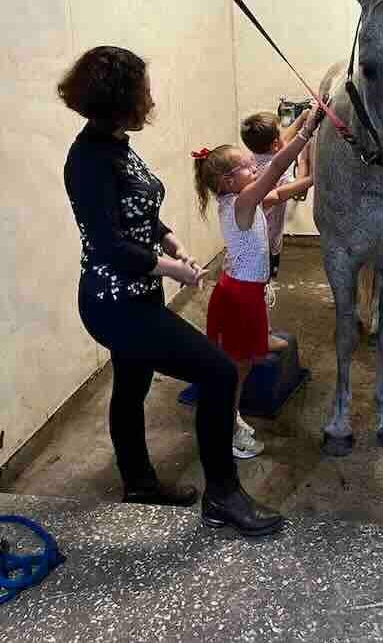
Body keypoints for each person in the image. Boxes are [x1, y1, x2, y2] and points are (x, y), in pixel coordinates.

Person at [59, 45, 282, 536]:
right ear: (120, 97)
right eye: (143, 90)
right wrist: (170, 268)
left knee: (131, 384)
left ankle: (139, 485)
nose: (151, 99)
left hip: (137, 293)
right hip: (114, 303)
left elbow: (138, 211)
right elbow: (108, 242)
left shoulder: (116, 144)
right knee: (219, 372)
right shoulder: (88, 159)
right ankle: (223, 495)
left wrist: (170, 240)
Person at [192, 105, 321, 459]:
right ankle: (229, 428)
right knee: (240, 364)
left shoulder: (241, 199)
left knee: (244, 357)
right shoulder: (242, 201)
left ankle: (231, 414)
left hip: (240, 288)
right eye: (248, 168)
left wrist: (313, 179)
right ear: (227, 181)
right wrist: (307, 131)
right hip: (240, 295)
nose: (255, 169)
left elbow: (277, 193)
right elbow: (275, 169)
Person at [240, 111, 314, 280]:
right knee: (262, 280)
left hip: (251, 239)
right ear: (274, 144)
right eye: (280, 133)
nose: (284, 136)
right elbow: (299, 189)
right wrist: (304, 158)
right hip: (265, 243)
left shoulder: (254, 159)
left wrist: (302, 118)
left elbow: (284, 140)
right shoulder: (276, 172)